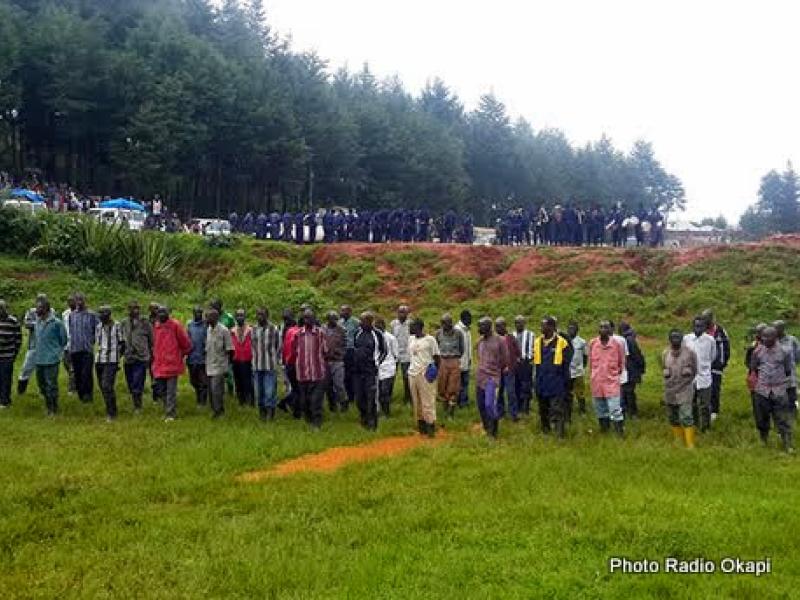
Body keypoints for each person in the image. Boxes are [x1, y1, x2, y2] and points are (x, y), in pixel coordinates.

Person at [750, 326, 794, 453]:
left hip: (779, 389)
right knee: (762, 418)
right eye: (763, 337)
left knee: (782, 418)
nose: (765, 340)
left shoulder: (785, 351)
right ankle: (764, 440)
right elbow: (754, 368)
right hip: (762, 390)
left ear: (775, 338)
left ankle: (787, 444)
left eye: (768, 337)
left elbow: (787, 370)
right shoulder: (757, 351)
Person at [533, 317, 573, 437]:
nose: (541, 328)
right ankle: (545, 431)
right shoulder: (537, 342)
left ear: (551, 327)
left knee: (557, 409)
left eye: (543, 326)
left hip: (557, 381)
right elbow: (536, 363)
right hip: (541, 380)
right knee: (543, 409)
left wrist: (566, 383)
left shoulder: (562, 342)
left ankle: (559, 433)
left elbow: (566, 364)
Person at [152, 306, 192, 422]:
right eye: (159, 312)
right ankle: (167, 409)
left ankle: (171, 414)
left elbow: (185, 342)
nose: (161, 314)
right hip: (159, 363)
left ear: (169, 312)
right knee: (161, 389)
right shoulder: (156, 326)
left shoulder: (175, 325)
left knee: (171, 391)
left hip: (172, 363)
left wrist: (180, 355)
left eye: (164, 311)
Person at [589, 321, 626, 436]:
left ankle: (619, 434)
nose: (603, 329)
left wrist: (613, 375)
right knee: (600, 410)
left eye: (606, 327)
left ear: (611, 330)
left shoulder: (617, 344)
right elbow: (590, 363)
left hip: (611, 382)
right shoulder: (593, 343)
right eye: (601, 327)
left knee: (615, 409)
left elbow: (621, 363)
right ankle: (604, 432)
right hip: (597, 383)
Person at [292, 309, 328, 429]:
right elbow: (294, 351)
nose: (307, 320)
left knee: (315, 400)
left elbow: (326, 351)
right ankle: (308, 421)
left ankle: (317, 423)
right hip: (302, 373)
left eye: (310, 318)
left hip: (317, 373)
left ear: (314, 319)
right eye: (305, 318)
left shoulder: (320, 333)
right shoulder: (297, 334)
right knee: (305, 401)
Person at [32, 296, 68, 416]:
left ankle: (53, 408)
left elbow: (63, 339)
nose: (37, 309)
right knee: (41, 384)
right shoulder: (37, 321)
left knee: (51, 385)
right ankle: (48, 405)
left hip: (51, 359)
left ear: (46, 308)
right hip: (39, 359)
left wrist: (56, 351)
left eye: (40, 307)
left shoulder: (56, 323)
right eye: (37, 307)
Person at [662, 329, 697, 449]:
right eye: (673, 337)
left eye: (678, 337)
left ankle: (690, 444)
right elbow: (663, 368)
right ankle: (678, 441)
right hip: (670, 391)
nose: (675, 340)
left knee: (686, 416)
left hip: (685, 390)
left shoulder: (690, 353)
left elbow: (695, 370)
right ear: (669, 339)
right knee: (672, 417)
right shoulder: (665, 353)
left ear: (682, 339)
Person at [352, 311, 386, 431]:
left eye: (362, 321)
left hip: (370, 372)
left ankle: (372, 423)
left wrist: (377, 363)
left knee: (371, 398)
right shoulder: (357, 333)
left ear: (369, 321)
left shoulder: (378, 334)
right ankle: (363, 419)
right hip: (357, 371)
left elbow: (384, 351)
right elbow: (355, 348)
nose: (360, 323)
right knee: (359, 398)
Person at [475, 317, 508, 438]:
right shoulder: (479, 341)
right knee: (481, 406)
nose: (479, 329)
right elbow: (478, 357)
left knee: (490, 405)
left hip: (492, 379)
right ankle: (486, 428)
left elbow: (505, 359)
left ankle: (493, 431)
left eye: (481, 326)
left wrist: (495, 370)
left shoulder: (500, 341)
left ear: (488, 327)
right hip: (480, 378)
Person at [683, 316, 717, 432]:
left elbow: (713, 356)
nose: (698, 328)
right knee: (691, 403)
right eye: (696, 326)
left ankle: (706, 427)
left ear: (705, 327)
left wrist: (704, 366)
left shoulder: (710, 340)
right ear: (693, 326)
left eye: (701, 326)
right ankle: (695, 424)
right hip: (689, 378)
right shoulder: (687, 339)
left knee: (705, 404)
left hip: (704, 377)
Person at [408, 318, 440, 437]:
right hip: (413, 373)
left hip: (425, 373)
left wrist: (433, 372)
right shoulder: (411, 339)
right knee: (417, 402)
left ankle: (431, 427)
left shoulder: (430, 340)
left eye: (412, 326)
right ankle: (422, 428)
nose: (410, 328)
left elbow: (437, 357)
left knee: (428, 401)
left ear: (419, 327)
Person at [120, 301, 153, 413]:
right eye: (132, 309)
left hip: (141, 357)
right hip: (128, 356)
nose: (135, 311)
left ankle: (138, 406)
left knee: (137, 382)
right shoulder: (124, 323)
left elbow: (151, 340)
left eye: (137, 308)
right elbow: (121, 340)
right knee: (130, 382)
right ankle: (135, 400)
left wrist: (148, 353)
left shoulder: (145, 323)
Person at [67, 292, 99, 403]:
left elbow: (97, 330)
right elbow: (71, 330)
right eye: (77, 300)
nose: (79, 302)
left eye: (81, 300)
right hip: (75, 349)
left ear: (85, 300)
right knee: (77, 373)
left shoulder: (92, 315)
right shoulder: (72, 315)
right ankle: (81, 395)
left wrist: (92, 341)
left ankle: (88, 395)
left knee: (87, 373)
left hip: (87, 349)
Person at [95, 306, 123, 422]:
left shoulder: (117, 326)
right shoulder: (98, 327)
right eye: (100, 313)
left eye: (103, 313)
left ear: (109, 314)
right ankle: (109, 407)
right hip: (100, 359)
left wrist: (117, 358)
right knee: (102, 386)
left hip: (111, 359)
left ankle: (112, 413)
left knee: (107, 385)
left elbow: (122, 343)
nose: (101, 315)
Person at [251, 307, 280, 421]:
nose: (260, 317)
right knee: (259, 392)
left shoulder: (274, 329)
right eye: (258, 314)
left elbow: (278, 346)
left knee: (269, 391)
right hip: (257, 366)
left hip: (269, 366)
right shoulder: (253, 329)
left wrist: (274, 359)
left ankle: (270, 414)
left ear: (267, 316)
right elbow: (253, 346)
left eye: (262, 315)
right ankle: (262, 413)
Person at [435, 313, 465, 420]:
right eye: (442, 323)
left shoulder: (458, 333)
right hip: (442, 361)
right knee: (442, 386)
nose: (444, 325)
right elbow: (436, 348)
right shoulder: (438, 333)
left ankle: (451, 413)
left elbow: (462, 349)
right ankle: (445, 410)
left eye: (447, 323)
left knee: (453, 387)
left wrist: (455, 359)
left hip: (454, 360)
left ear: (451, 323)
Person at [205, 308, 233, 419]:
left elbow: (230, 350)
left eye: (209, 317)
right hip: (209, 364)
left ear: (216, 318)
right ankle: (214, 410)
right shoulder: (208, 329)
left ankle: (219, 411)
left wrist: (227, 367)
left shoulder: (224, 330)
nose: (207, 319)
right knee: (211, 391)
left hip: (220, 365)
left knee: (217, 390)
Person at [702, 309, 729, 422]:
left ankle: (714, 411)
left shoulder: (721, 332)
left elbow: (726, 349)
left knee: (715, 388)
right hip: (703, 365)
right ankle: (703, 409)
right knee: (703, 388)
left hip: (716, 365)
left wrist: (722, 364)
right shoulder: (701, 330)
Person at [495, 317, 521, 421]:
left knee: (511, 392)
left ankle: (513, 414)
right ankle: (500, 412)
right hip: (497, 370)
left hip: (509, 370)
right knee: (499, 392)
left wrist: (513, 365)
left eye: (499, 326)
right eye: (496, 326)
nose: (497, 328)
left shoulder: (510, 338)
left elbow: (518, 352)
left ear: (504, 326)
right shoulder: (494, 339)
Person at [619, 321, 646, 418]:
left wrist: (640, 366)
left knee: (628, 391)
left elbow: (635, 355)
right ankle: (630, 412)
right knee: (628, 391)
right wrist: (642, 366)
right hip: (630, 369)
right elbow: (637, 355)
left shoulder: (627, 340)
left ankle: (631, 412)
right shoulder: (629, 339)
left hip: (629, 369)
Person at [322, 310, 347, 413]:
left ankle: (343, 402)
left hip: (338, 361)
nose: (333, 321)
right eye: (331, 319)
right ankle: (332, 405)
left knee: (339, 384)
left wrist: (341, 354)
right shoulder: (322, 329)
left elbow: (346, 344)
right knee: (327, 385)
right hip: (326, 361)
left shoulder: (341, 330)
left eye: (335, 319)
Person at [774, 320, 800, 415]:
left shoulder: (792, 340)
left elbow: (798, 355)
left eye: (777, 328)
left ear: (782, 329)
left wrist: (791, 363)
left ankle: (793, 415)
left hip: (790, 374)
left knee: (791, 396)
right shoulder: (772, 341)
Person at [210, 299, 235, 394]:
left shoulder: (228, 317)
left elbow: (234, 331)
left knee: (228, 371)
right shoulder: (210, 316)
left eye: (215, 306)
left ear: (220, 307)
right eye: (212, 306)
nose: (214, 308)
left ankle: (230, 391)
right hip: (214, 348)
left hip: (226, 348)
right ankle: (219, 392)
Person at [0, 299, 22, 408]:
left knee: (6, 379)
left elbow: (18, 339)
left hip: (7, 355)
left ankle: (5, 401)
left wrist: (14, 353)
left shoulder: (12, 321)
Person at [231, 309, 254, 406]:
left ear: (245, 317)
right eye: (238, 315)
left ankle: (250, 400)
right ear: (235, 317)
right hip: (236, 360)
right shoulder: (232, 331)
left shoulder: (251, 330)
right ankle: (241, 400)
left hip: (248, 360)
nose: (240, 317)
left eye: (242, 315)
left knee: (248, 380)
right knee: (238, 380)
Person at [278, 309, 300, 414]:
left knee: (296, 387)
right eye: (284, 319)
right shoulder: (282, 328)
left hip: (296, 360)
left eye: (287, 318)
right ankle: (293, 407)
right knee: (293, 386)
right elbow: (282, 346)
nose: (286, 321)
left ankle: (287, 403)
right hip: (288, 361)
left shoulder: (296, 327)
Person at [186, 306, 209, 406]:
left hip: (203, 358)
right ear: (193, 313)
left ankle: (202, 401)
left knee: (203, 382)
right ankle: (198, 397)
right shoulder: (190, 325)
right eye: (196, 313)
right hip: (192, 358)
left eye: (200, 313)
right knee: (193, 381)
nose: (198, 315)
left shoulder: (206, 325)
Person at [375, 317, 398, 417]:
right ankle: (378, 411)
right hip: (377, 367)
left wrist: (393, 367)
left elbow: (396, 354)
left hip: (388, 367)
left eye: (379, 326)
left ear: (383, 326)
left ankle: (387, 412)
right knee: (378, 391)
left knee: (385, 391)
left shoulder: (391, 338)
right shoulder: (374, 337)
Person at [390, 305, 412, 405]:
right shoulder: (393, 324)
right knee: (391, 375)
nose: (402, 314)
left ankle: (407, 397)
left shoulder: (411, 324)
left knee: (406, 377)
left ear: (408, 313)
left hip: (407, 354)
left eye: (404, 312)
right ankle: (388, 396)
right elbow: (391, 338)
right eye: (400, 312)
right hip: (395, 353)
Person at [340, 304, 360, 410]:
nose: (342, 312)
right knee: (344, 375)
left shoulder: (356, 322)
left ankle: (353, 396)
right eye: (341, 311)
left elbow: (359, 335)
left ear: (349, 312)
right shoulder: (339, 322)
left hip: (352, 351)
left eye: (344, 311)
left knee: (352, 374)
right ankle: (346, 394)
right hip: (342, 351)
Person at [514, 315, 534, 417]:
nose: (518, 324)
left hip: (526, 363)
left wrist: (529, 359)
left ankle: (526, 407)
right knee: (516, 385)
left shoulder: (530, 334)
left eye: (520, 322)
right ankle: (518, 406)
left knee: (526, 385)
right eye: (516, 322)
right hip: (515, 364)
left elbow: (533, 349)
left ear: (524, 323)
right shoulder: (512, 335)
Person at [566, 321, 588, 416]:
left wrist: (582, 367)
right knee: (567, 391)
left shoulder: (582, 342)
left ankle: (582, 410)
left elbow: (585, 356)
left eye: (573, 328)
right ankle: (568, 409)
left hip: (578, 371)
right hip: (567, 371)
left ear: (577, 330)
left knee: (580, 392)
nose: (571, 330)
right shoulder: (564, 341)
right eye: (569, 328)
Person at [455, 310, 473, 408]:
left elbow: (469, 346)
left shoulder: (467, 330)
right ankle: (459, 402)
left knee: (465, 383)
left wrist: (470, 358)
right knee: (459, 384)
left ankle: (464, 401)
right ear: (464, 319)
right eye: (469, 318)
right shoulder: (457, 330)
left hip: (466, 361)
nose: (471, 320)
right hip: (459, 362)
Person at [62, 294, 77, 394]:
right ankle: (76, 381)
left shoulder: (81, 313)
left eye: (72, 301)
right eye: (69, 301)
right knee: (66, 365)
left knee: (73, 368)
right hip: (66, 344)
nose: (70, 303)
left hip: (76, 344)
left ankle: (72, 388)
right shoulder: (65, 314)